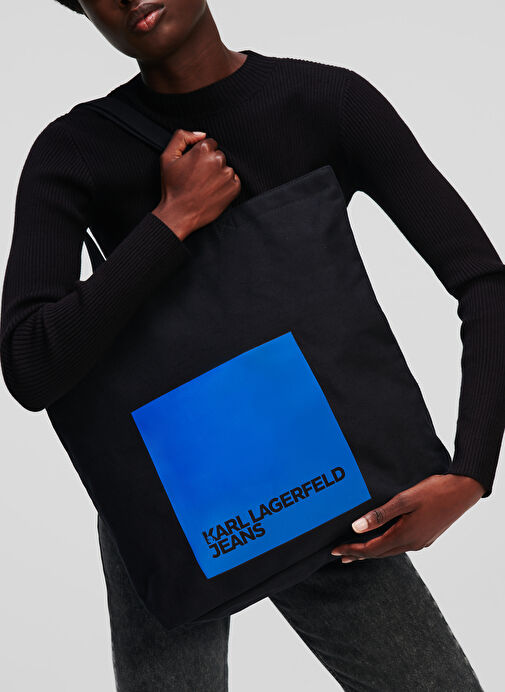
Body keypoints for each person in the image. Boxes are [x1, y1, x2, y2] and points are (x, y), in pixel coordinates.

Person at [1, 1, 503, 690]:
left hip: (321, 482)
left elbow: (483, 282)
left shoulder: (324, 102)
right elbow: (30, 363)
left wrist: (471, 472)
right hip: (170, 502)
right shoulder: (76, 151)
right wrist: (171, 221)